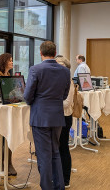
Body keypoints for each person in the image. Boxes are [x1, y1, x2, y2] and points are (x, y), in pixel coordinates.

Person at [23, 41, 70, 190]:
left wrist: (34, 101)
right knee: (55, 152)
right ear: (55, 53)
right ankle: (58, 187)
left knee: (43, 156)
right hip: (57, 117)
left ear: (40, 53)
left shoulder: (35, 69)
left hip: (40, 118)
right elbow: (64, 95)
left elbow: (28, 95)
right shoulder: (65, 71)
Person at [0, 53, 17, 176]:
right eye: (10, 60)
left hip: (8, 108)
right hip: (0, 110)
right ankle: (0, 163)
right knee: (2, 135)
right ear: (4, 62)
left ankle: (8, 163)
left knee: (8, 136)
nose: (12, 63)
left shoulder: (8, 75)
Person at [55, 55, 75, 189]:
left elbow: (67, 103)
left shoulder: (69, 81)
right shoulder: (57, 79)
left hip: (64, 117)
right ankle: (58, 176)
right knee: (57, 148)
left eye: (59, 65)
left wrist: (49, 102)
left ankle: (66, 178)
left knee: (63, 148)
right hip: (56, 117)